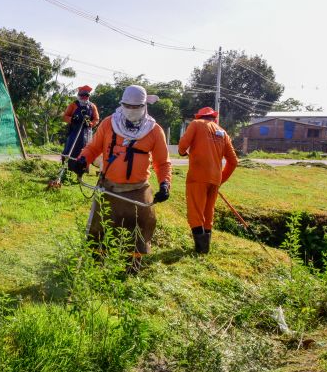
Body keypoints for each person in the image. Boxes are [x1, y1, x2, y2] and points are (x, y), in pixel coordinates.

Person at [70, 85, 171, 270]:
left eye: (136, 107)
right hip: (109, 189)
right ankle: (96, 269)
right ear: (122, 104)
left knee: (139, 231)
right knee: (99, 231)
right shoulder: (109, 124)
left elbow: (162, 163)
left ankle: (131, 269)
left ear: (144, 106)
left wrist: (165, 184)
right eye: (127, 106)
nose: (131, 110)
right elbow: (93, 148)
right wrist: (82, 160)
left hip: (138, 191)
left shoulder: (154, 131)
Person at [177, 106, 239, 254]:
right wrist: (220, 179)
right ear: (214, 118)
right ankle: (205, 250)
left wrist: (182, 152)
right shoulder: (223, 133)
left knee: (196, 212)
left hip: (197, 177)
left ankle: (200, 249)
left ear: (199, 117)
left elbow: (182, 146)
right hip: (215, 179)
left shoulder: (196, 124)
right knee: (208, 213)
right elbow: (234, 161)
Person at [62, 85, 99, 162]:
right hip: (74, 131)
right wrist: (72, 119)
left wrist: (90, 124)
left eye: (86, 95)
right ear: (79, 95)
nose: (84, 97)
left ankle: (82, 168)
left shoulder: (92, 106)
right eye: (82, 95)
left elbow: (96, 119)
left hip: (87, 132)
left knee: (85, 151)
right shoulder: (73, 105)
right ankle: (66, 165)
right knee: (70, 148)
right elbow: (65, 116)